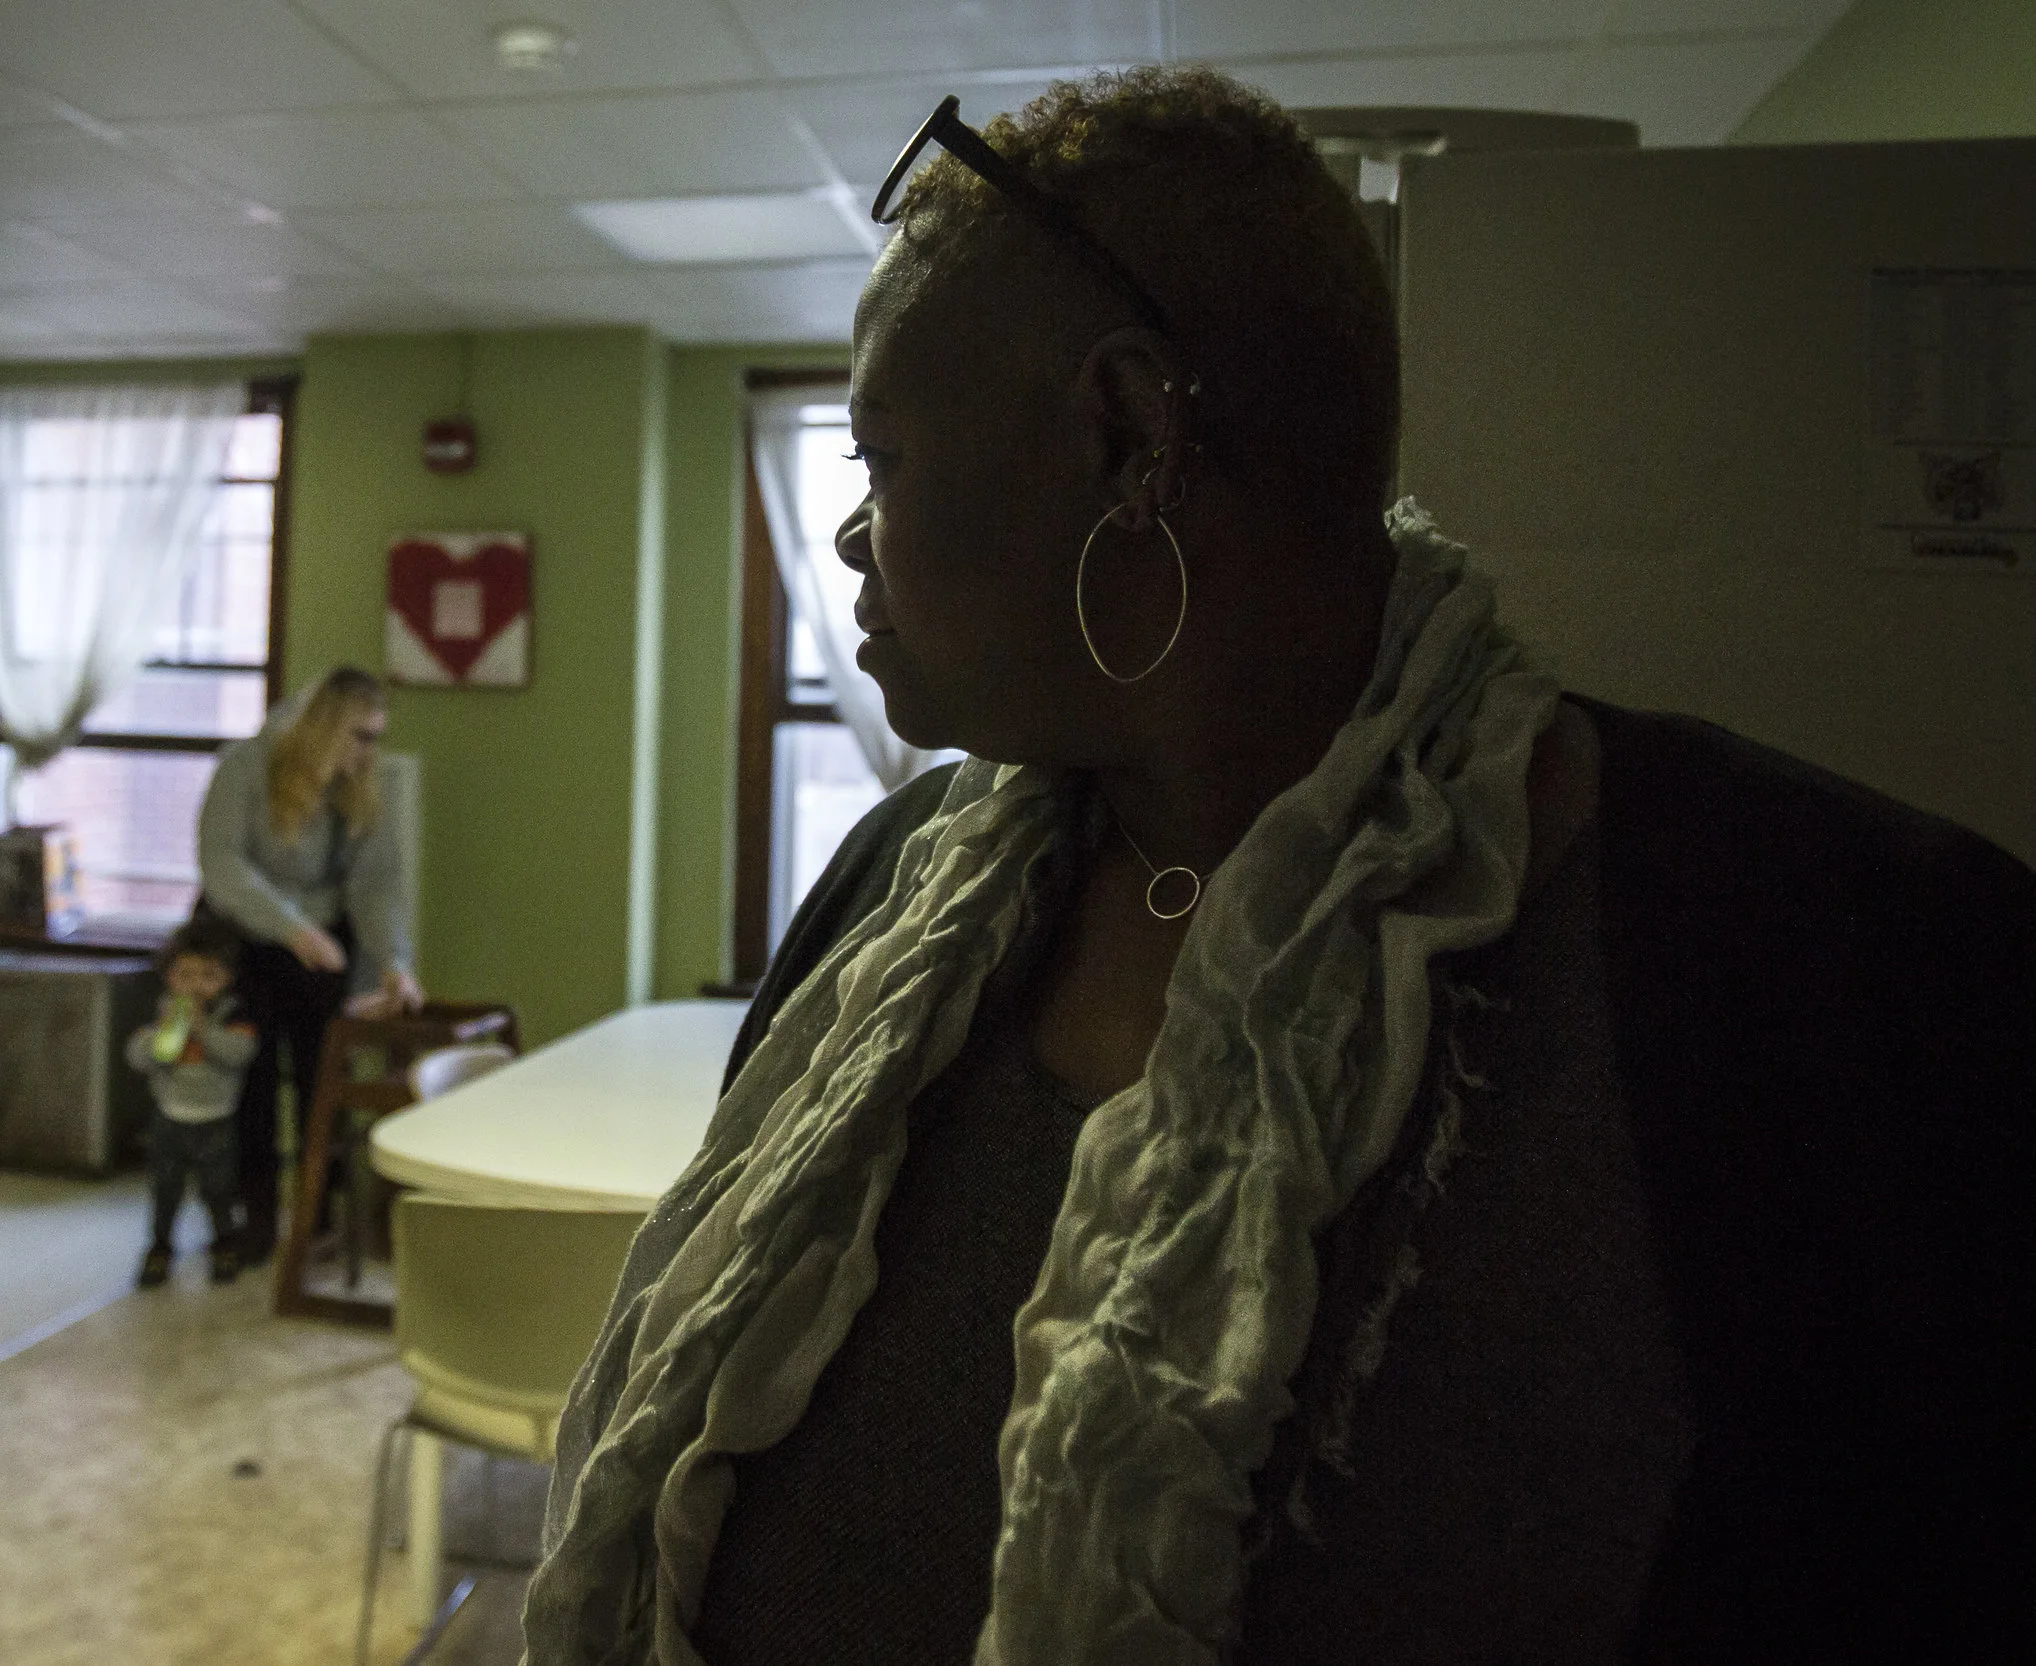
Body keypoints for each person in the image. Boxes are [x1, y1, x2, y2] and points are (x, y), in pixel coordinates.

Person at [523, 64, 2036, 1666]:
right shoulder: (898, 888)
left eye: (882, 458)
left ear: (1127, 436)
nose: (852, 538)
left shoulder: (1836, 969)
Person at [195, 665, 423, 1265]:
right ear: (326, 729)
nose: (371, 751)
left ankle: (316, 1218)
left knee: (323, 1077)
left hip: (319, 939)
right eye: (361, 736)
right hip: (247, 934)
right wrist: (288, 926)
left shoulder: (360, 789)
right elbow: (223, 867)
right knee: (254, 1078)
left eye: (377, 736)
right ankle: (254, 1220)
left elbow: (376, 887)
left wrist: (395, 961)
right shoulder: (245, 767)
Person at [125, 915, 255, 1288]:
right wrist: (165, 1036)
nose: (195, 986)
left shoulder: (231, 1017)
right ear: (170, 977)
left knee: (219, 1188)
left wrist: (203, 1030)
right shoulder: (161, 1015)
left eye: (208, 976)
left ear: (226, 979)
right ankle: (160, 1246)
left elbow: (239, 1053)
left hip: (217, 1120)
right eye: (185, 975)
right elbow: (138, 1057)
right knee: (165, 1189)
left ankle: (224, 1243)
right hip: (170, 1119)